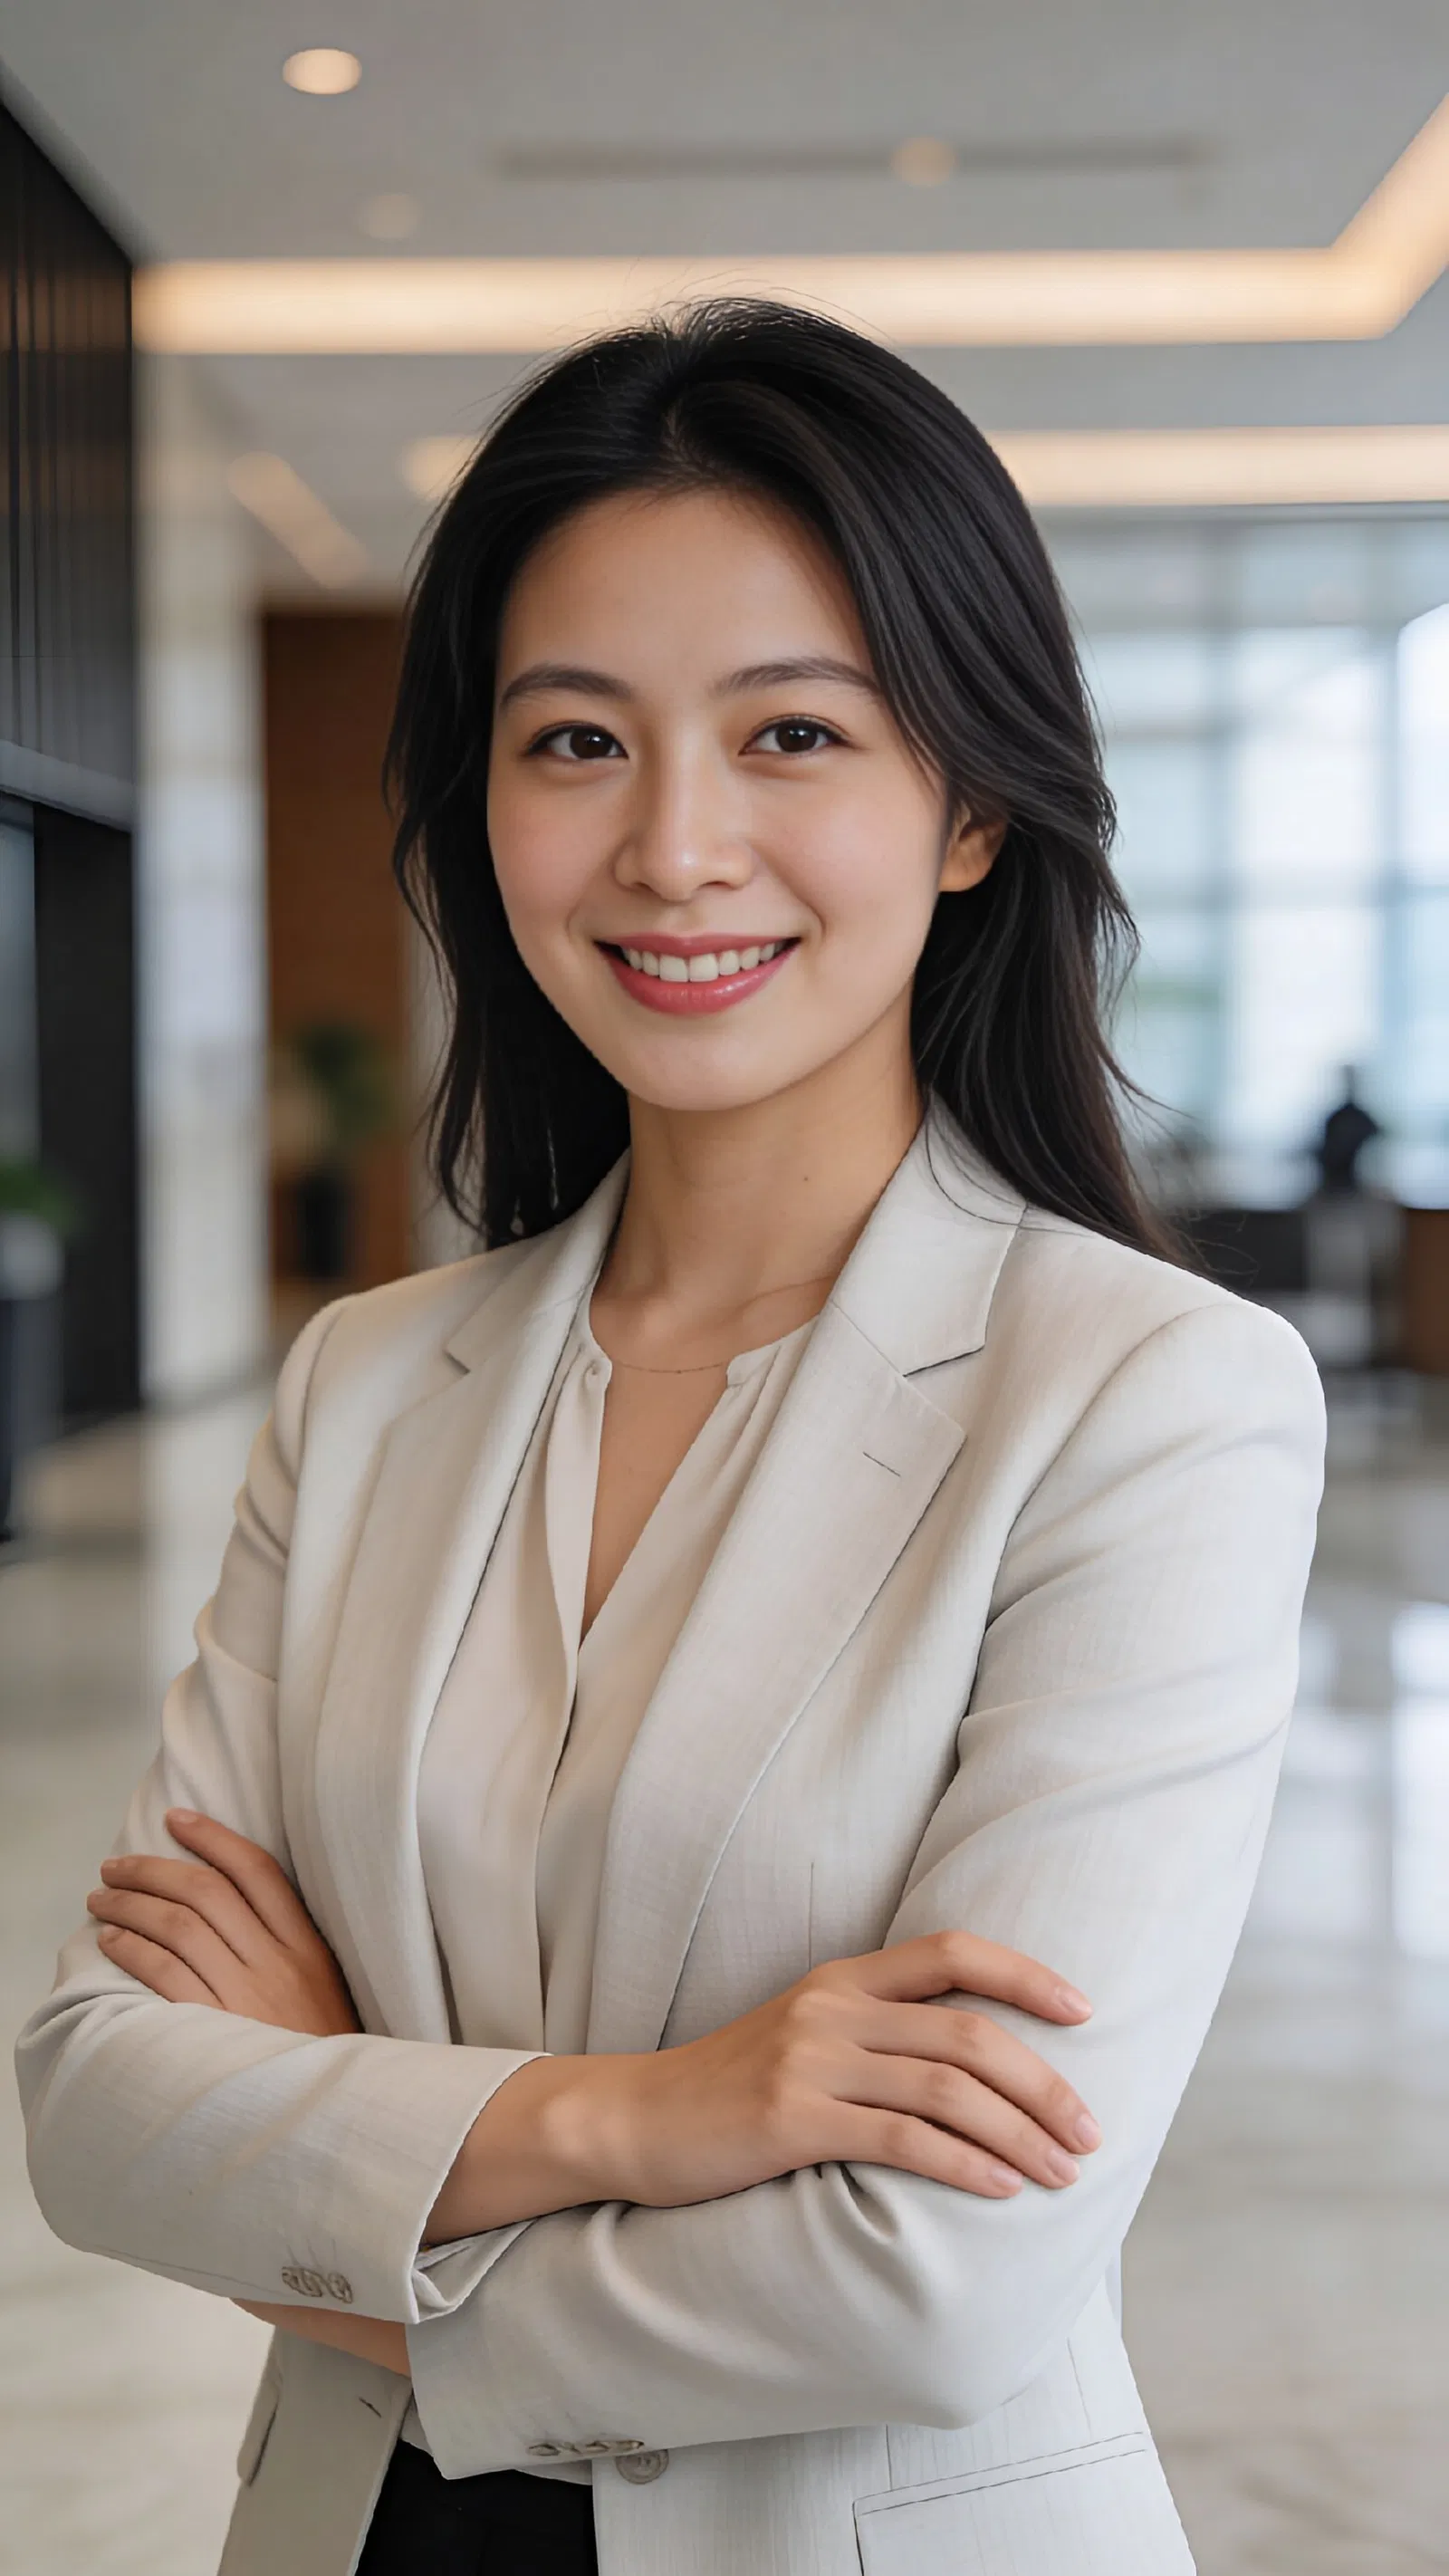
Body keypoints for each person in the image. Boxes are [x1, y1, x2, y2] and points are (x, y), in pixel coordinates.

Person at [16, 301, 1325, 2576]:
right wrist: (652, 2113)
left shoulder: (1147, 1400)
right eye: (574, 742)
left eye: (791, 730)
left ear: (973, 805)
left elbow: (931, 2275)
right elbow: (98, 2101)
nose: (673, 846)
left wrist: (339, 2189)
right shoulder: (363, 1385)